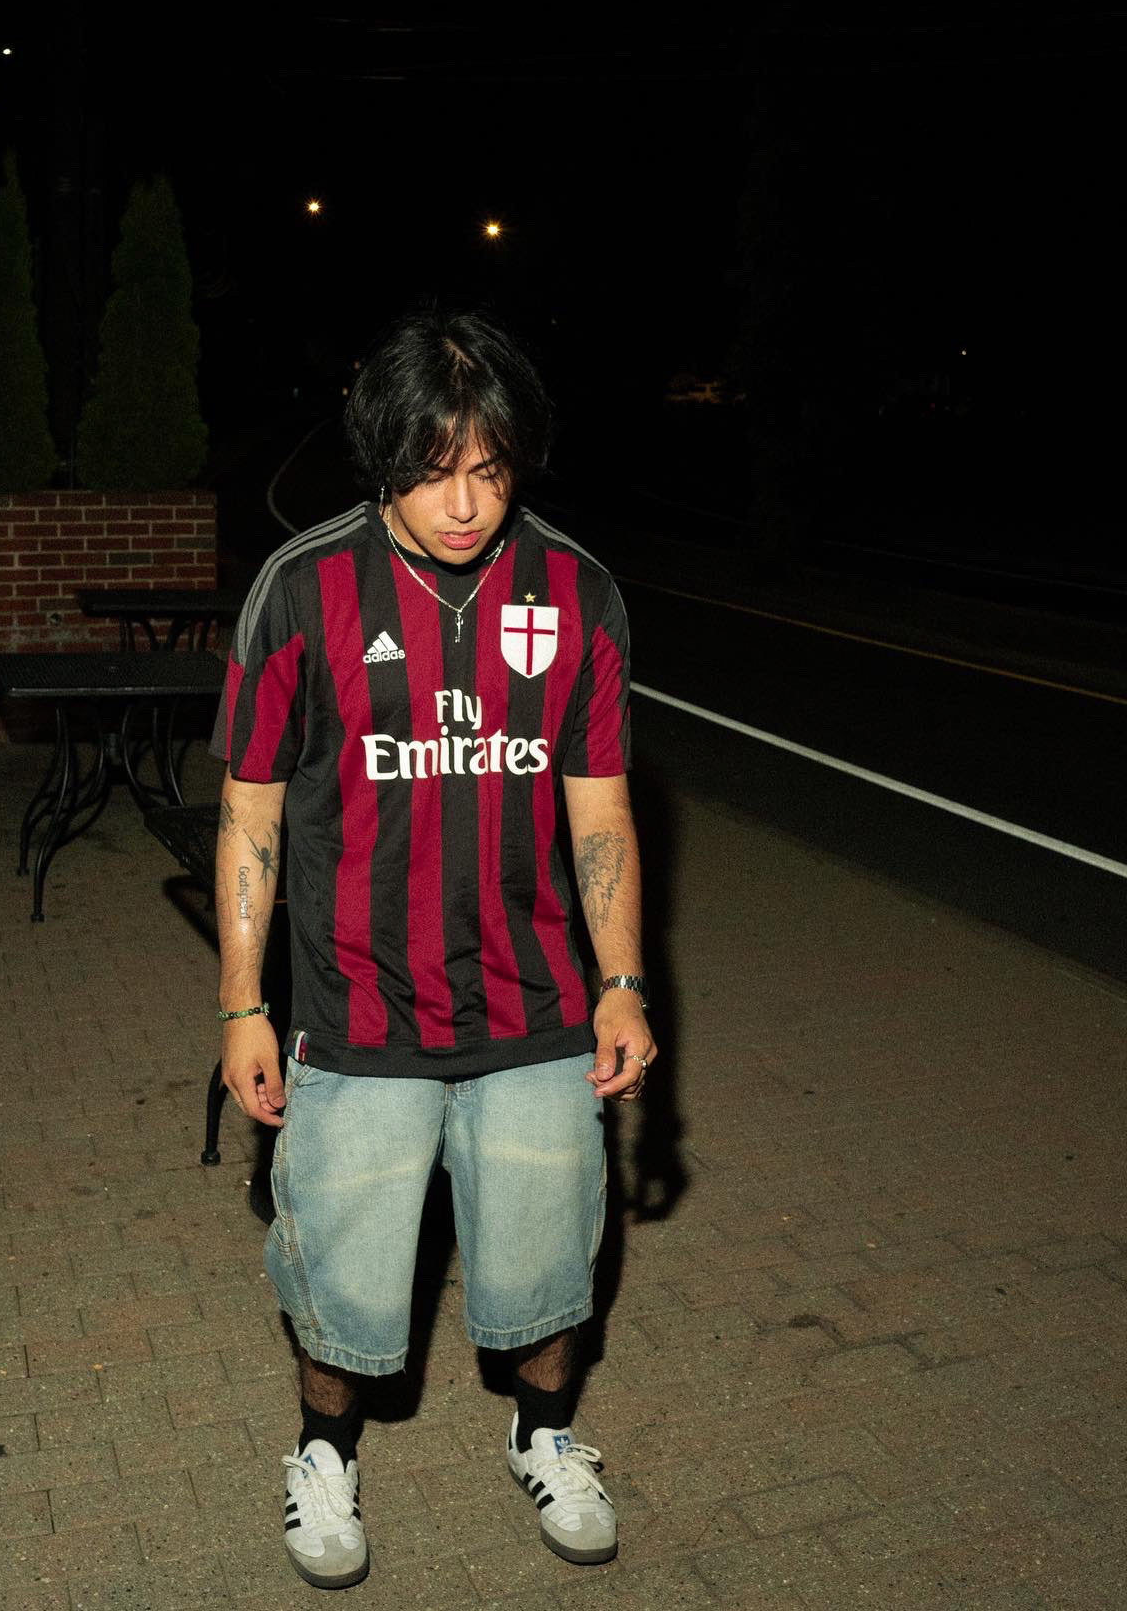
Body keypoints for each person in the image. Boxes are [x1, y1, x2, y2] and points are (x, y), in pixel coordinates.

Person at [213, 307, 655, 1590]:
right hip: (356, 1011)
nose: (464, 505)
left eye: (490, 469)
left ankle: (546, 1433)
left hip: (537, 1007)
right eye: (431, 470)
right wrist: (242, 1003)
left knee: (547, 1268)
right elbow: (248, 811)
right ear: (381, 460)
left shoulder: (577, 591)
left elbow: (601, 811)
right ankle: (324, 1453)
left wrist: (625, 983)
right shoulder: (302, 590)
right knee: (345, 1286)